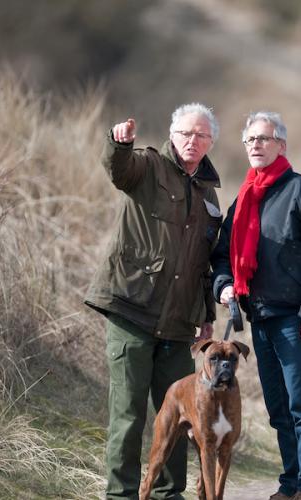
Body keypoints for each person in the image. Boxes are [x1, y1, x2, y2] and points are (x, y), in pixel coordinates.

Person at [85, 103, 224, 500]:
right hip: (133, 309)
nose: (191, 141)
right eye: (184, 133)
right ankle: (122, 495)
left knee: (182, 418)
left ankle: (168, 494)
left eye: (200, 135)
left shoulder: (209, 193)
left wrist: (207, 316)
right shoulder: (148, 165)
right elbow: (119, 170)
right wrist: (118, 143)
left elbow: (203, 261)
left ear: (211, 141)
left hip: (180, 324)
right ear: (171, 133)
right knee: (128, 415)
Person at [212, 111, 301, 500]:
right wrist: (224, 287)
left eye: (264, 139)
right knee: (279, 410)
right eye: (250, 140)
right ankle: (290, 485)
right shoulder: (244, 199)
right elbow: (222, 256)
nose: (256, 145)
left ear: (281, 145)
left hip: (296, 319)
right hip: (259, 318)